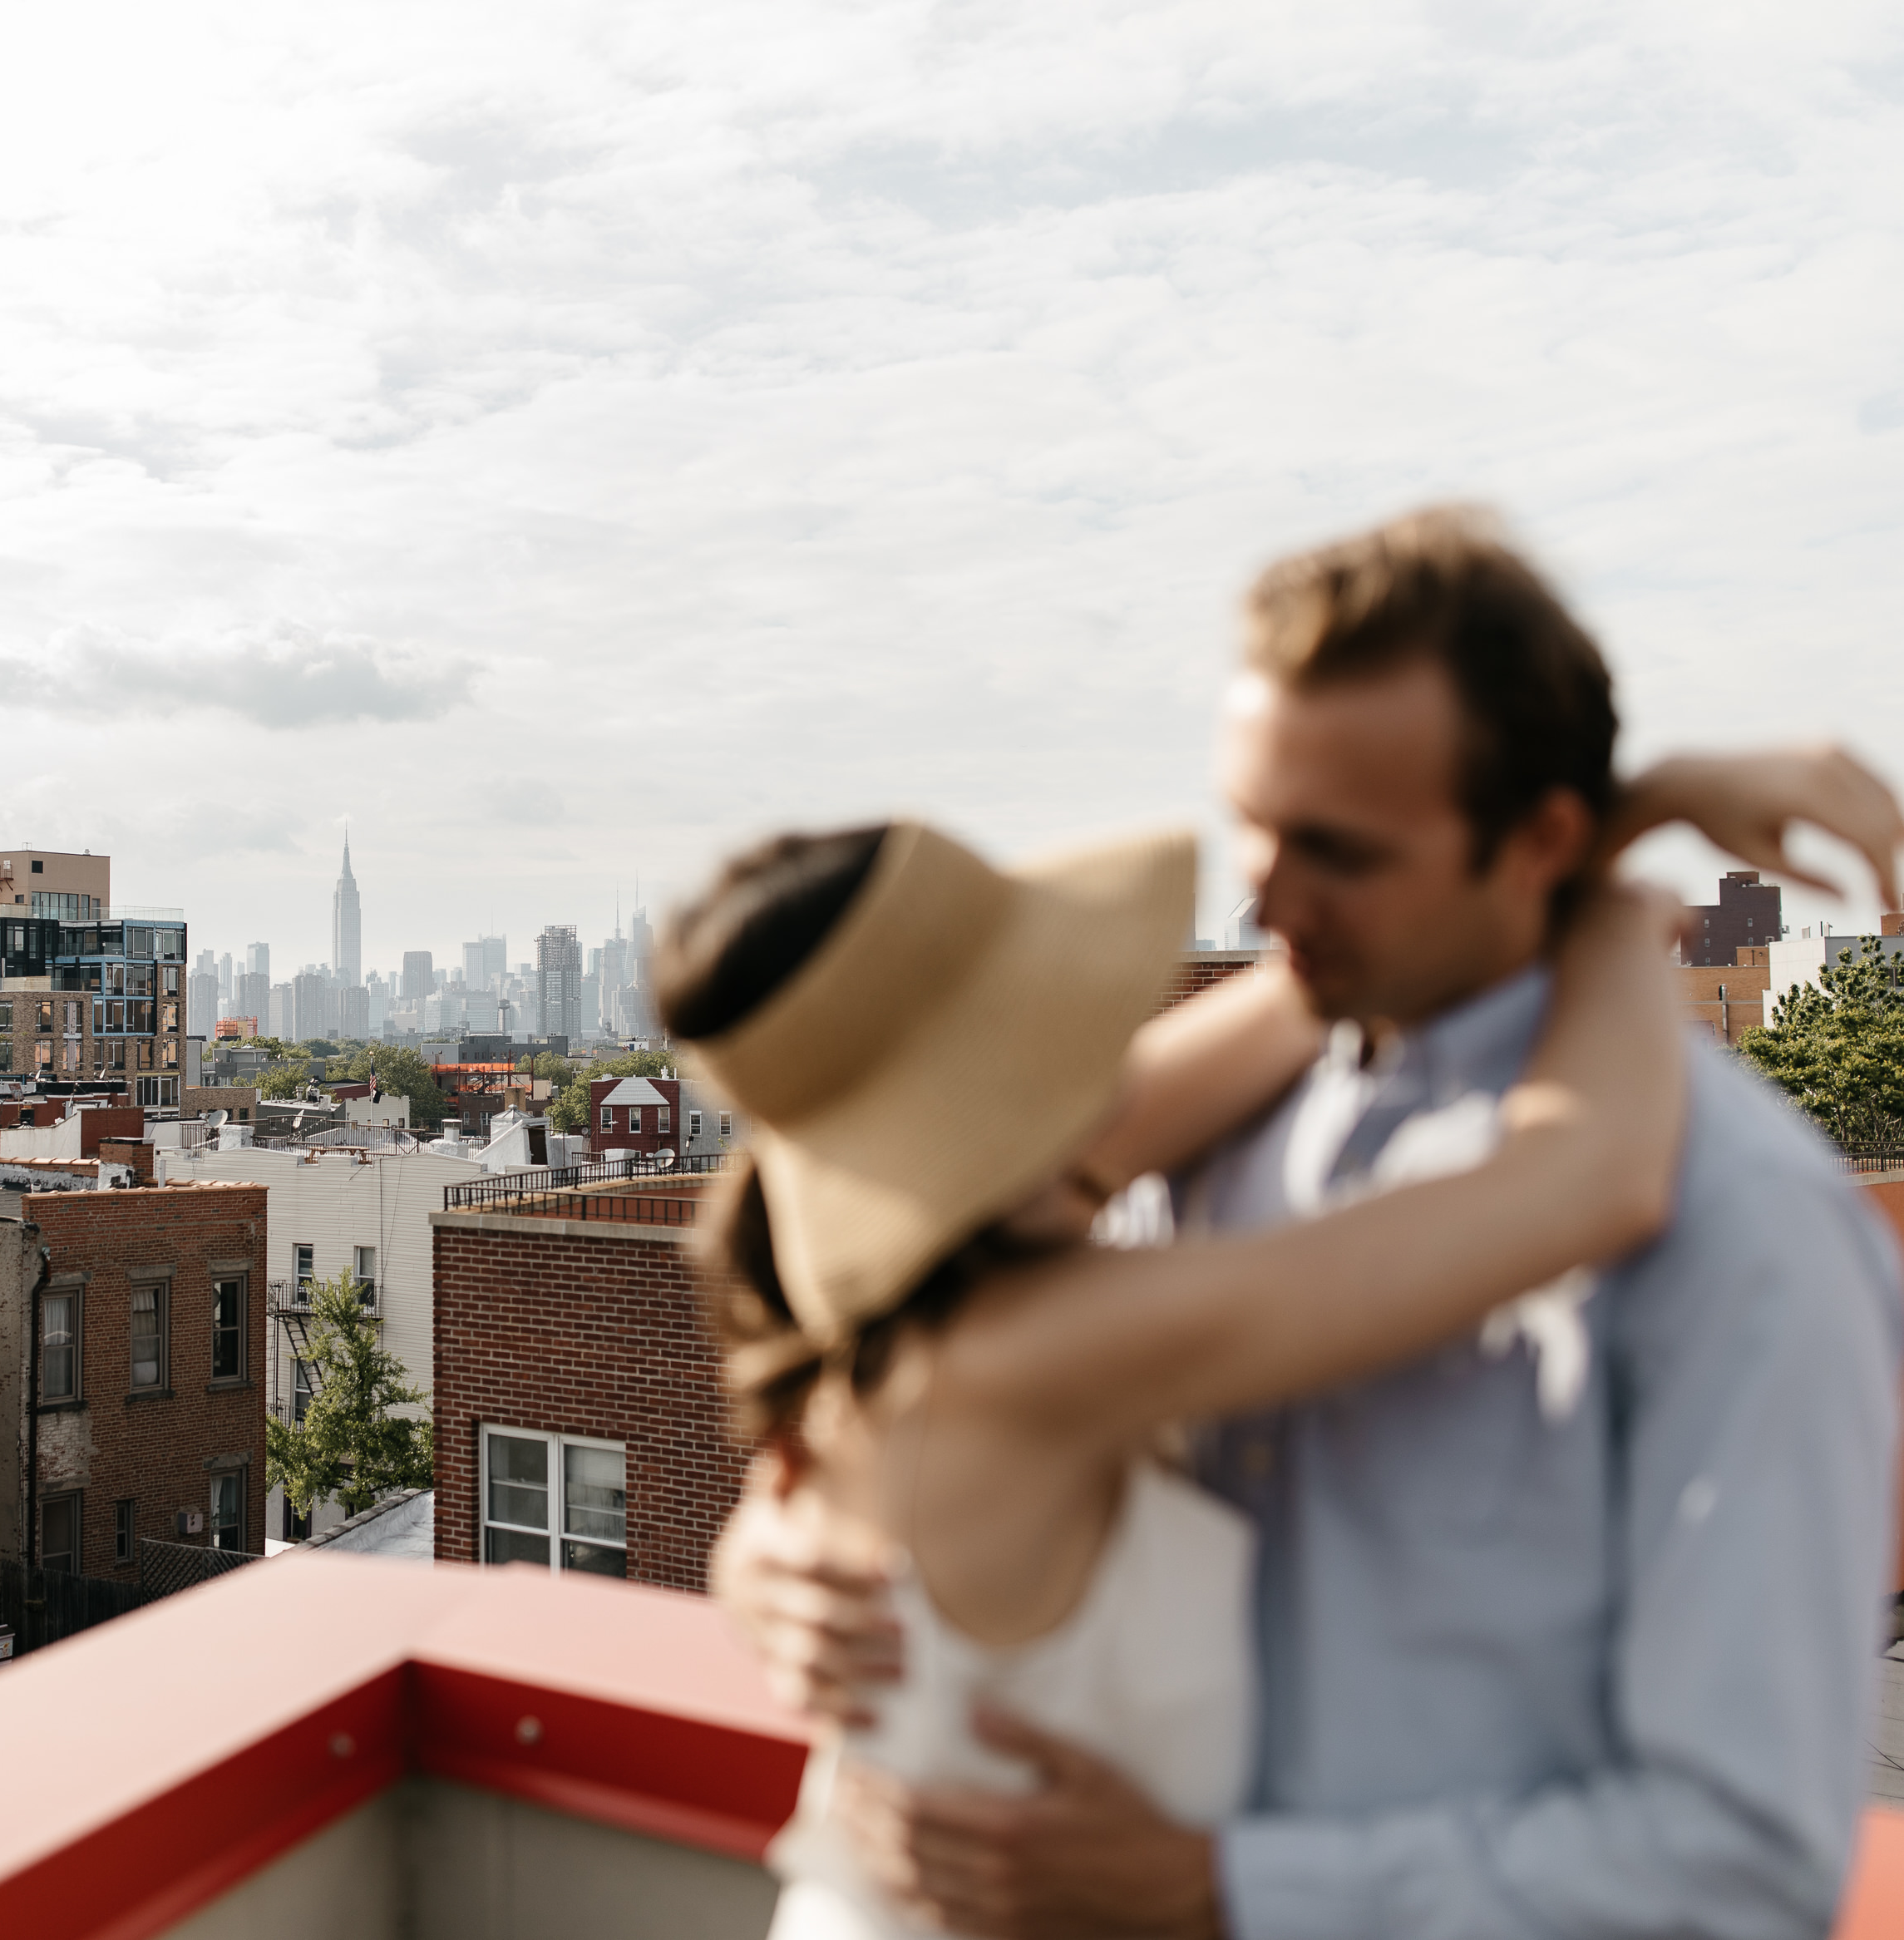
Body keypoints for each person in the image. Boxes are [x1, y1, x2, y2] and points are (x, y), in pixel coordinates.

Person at [708, 506, 1904, 1939]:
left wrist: (1225, 1892)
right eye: (1252, 827)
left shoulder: (1743, 1227)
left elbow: (1741, 1859)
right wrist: (773, 1555)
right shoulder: (1187, 1141)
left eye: (1332, 848)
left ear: (1534, 837)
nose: (1264, 895)